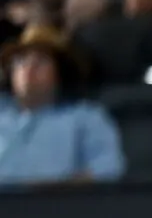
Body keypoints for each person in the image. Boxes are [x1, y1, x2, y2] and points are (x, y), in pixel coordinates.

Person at [0, 22, 122, 182]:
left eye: (41, 61)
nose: (29, 69)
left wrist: (61, 192)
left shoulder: (86, 117)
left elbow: (108, 168)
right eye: (21, 61)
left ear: (61, 71)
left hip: (61, 204)